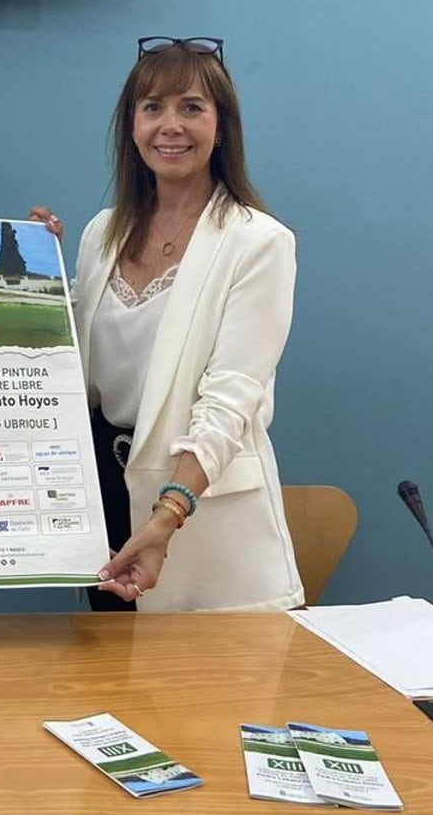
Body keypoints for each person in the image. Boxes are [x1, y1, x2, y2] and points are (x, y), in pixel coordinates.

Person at [33, 36, 302, 612]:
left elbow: (230, 400)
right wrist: (39, 279)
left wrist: (168, 514)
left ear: (221, 127)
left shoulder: (259, 243)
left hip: (195, 510)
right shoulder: (101, 233)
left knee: (204, 694)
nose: (170, 125)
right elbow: (77, 376)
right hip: (103, 502)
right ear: (131, 126)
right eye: (152, 107)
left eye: (191, 107)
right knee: (114, 687)